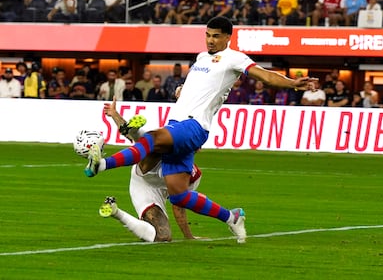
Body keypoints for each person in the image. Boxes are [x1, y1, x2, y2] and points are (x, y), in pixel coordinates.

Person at [84, 16, 311, 243]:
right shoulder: (202, 58)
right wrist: (184, 89)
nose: (210, 41)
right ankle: (232, 217)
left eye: (216, 36)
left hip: (194, 126)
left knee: (152, 139)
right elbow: (200, 86)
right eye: (208, 35)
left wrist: (292, 83)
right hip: (177, 125)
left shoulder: (234, 58)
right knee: (179, 195)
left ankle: (101, 164)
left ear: (228, 38)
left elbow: (266, 76)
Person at [99, 97, 202, 241]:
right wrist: (115, 115)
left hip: (154, 190)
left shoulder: (192, 175)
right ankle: (135, 131)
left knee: (163, 237)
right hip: (144, 182)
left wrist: (188, 236)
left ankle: (115, 211)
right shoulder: (173, 141)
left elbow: (179, 204)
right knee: (152, 147)